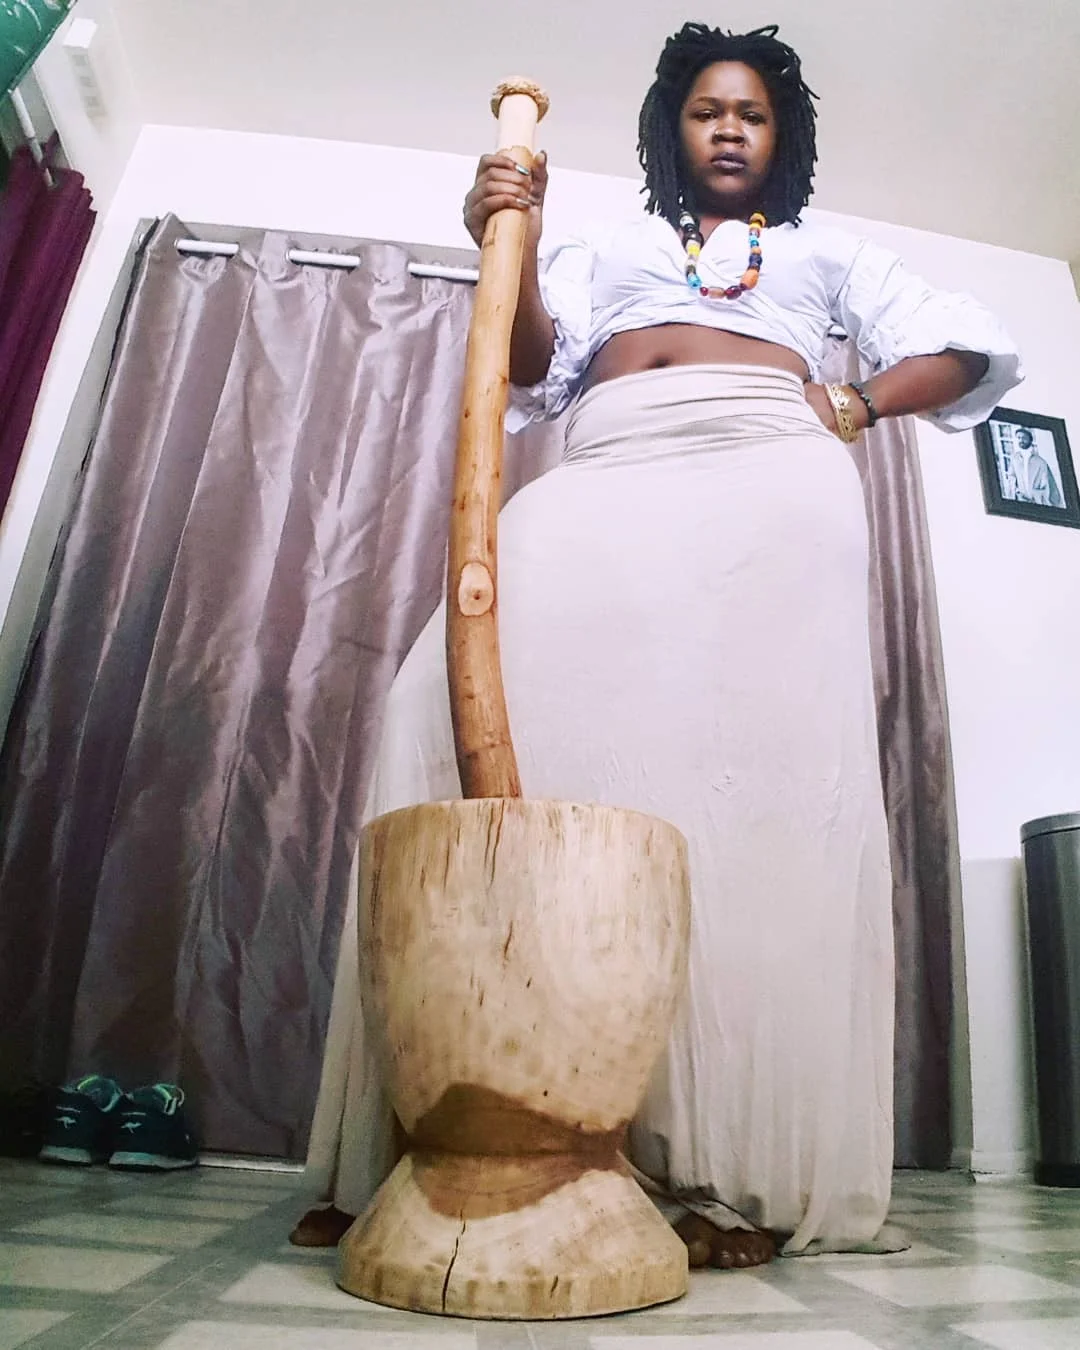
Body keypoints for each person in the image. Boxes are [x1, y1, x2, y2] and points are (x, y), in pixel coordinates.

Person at [292, 21, 1021, 1267]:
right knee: (440, 715)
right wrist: (508, 240)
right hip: (615, 462)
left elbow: (967, 349)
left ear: (782, 135)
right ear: (671, 131)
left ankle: (717, 1175)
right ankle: (430, 1138)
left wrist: (854, 399)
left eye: (752, 112)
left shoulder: (828, 252)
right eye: (706, 110)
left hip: (774, 484)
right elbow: (531, 365)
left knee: (748, 802)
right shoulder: (611, 245)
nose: (730, 127)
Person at [1015, 427, 1063, 507]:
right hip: (1021, 501)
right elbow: (1012, 477)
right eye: (1019, 438)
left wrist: (1035, 496)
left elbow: (1047, 486)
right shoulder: (1015, 459)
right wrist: (1017, 492)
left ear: (1030, 440)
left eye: (1024, 438)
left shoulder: (1040, 462)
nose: (1021, 440)